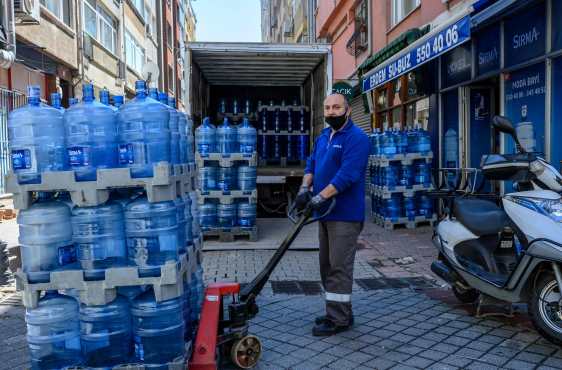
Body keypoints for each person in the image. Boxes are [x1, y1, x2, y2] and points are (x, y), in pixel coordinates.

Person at [296, 93, 370, 336]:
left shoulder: (357, 139)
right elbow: (311, 164)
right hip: (325, 214)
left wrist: (319, 197)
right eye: (327, 108)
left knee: (339, 266)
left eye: (336, 107)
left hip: (345, 215)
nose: (331, 112)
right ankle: (337, 311)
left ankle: (338, 320)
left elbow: (348, 175)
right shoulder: (324, 136)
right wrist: (304, 188)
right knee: (326, 265)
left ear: (348, 110)